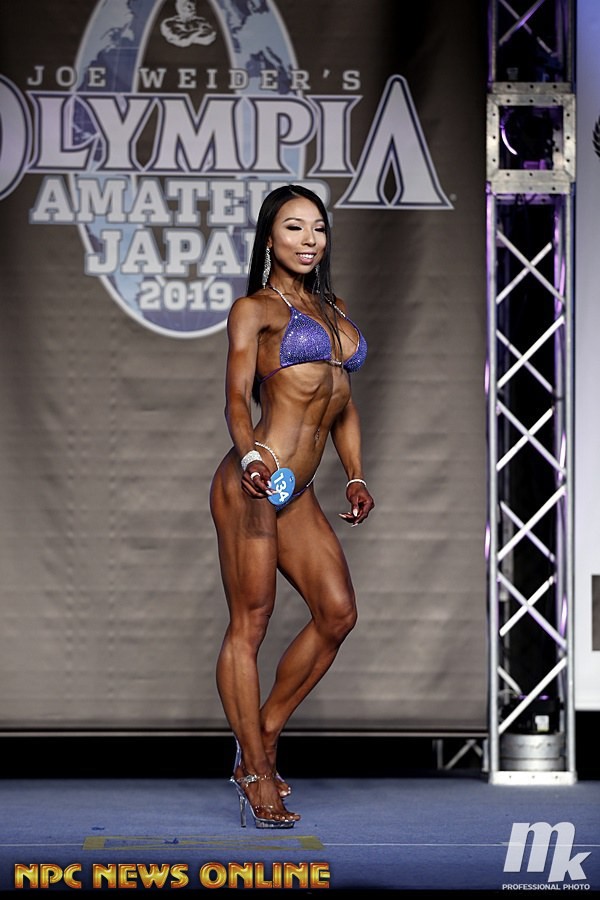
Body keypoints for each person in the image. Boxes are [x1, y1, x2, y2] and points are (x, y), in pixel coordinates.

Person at [209, 184, 374, 829]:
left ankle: (265, 731)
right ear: (270, 237)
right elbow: (235, 397)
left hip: (297, 492)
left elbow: (342, 404)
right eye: (294, 227)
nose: (309, 240)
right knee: (250, 623)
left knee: (337, 613)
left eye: (319, 228)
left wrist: (355, 475)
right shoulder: (254, 309)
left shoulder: (333, 309)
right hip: (254, 482)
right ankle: (255, 770)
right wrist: (249, 455)